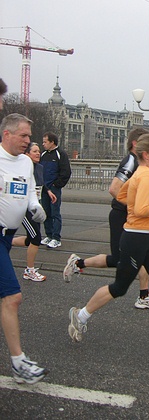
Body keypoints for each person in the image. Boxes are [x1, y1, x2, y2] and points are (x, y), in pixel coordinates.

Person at [68, 133, 149, 353]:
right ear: (146, 155)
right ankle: (80, 316)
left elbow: (121, 193)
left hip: (148, 236)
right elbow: (140, 210)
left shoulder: (142, 173)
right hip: (135, 238)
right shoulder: (146, 176)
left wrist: (135, 204)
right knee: (119, 288)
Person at [63, 128, 149, 310]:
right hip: (121, 216)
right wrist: (134, 208)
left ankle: (144, 295)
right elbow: (114, 189)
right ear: (136, 145)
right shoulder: (130, 162)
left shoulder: (139, 163)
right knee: (118, 259)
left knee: (144, 256)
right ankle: (78, 263)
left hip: (131, 218)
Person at [0, 112, 48, 384]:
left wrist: (34, 206)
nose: (29, 141)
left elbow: (29, 189)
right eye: (24, 136)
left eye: (29, 136)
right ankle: (19, 363)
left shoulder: (25, 164)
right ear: (6, 134)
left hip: (8, 236)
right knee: (12, 296)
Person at [12, 143, 57, 282]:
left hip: (35, 206)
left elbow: (39, 186)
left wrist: (48, 191)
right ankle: (29, 271)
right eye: (35, 151)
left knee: (29, 240)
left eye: (39, 151)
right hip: (24, 208)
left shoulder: (39, 168)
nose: (38, 153)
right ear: (26, 154)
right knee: (36, 238)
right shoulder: (21, 169)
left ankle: (4, 241)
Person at [40, 132, 71, 248]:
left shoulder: (60, 154)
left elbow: (66, 172)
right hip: (44, 189)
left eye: (45, 142)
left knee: (55, 213)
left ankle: (56, 237)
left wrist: (56, 185)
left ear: (52, 142)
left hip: (54, 189)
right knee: (46, 212)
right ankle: (48, 235)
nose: (43, 144)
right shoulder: (43, 155)